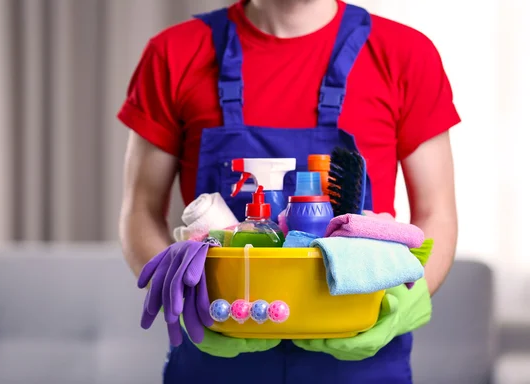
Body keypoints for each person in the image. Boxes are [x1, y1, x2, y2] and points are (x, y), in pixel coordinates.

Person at [118, 0, 459, 382]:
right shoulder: (175, 54)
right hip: (214, 357)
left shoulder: (404, 54)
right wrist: (184, 300)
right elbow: (141, 210)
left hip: (362, 362)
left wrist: (402, 301)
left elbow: (436, 213)